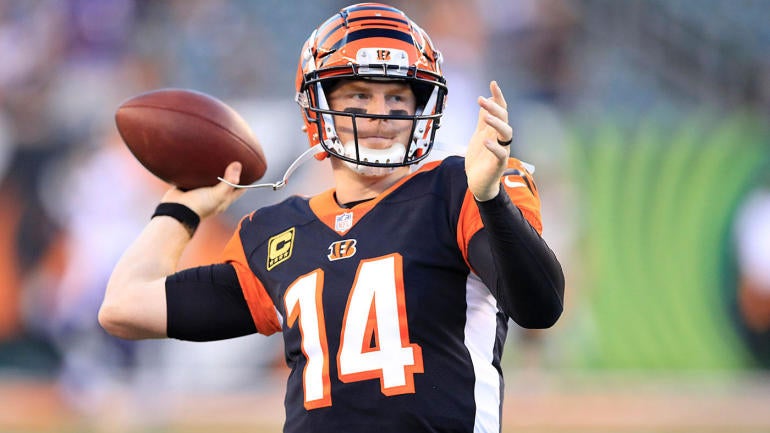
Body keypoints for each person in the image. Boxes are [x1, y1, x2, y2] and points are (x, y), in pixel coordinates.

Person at [99, 3, 565, 432]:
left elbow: (539, 306)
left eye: (397, 100)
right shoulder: (276, 232)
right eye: (359, 98)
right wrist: (181, 208)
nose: (380, 115)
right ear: (318, 106)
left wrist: (489, 197)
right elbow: (124, 307)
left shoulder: (459, 188)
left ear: (422, 109)